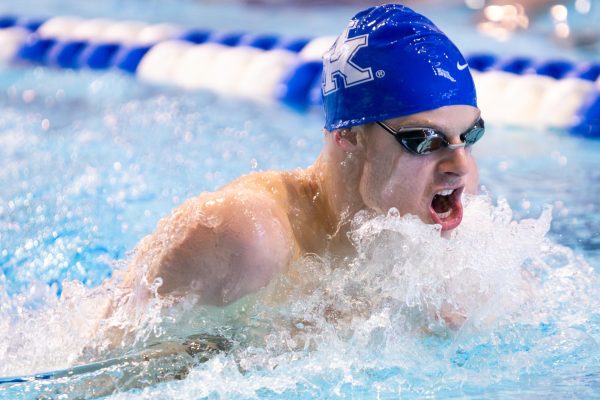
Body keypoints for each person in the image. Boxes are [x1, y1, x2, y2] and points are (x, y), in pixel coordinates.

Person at [111, 4, 485, 314]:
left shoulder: (447, 210)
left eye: (469, 136)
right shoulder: (249, 238)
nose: (460, 167)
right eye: (424, 140)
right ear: (349, 135)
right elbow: (106, 364)